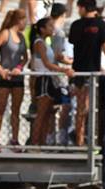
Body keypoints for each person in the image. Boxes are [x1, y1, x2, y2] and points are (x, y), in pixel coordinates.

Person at [69, 0, 105, 146]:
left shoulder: (100, 25)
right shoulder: (77, 24)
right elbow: (76, 43)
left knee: (90, 108)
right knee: (82, 108)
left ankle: (92, 141)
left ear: (83, 7)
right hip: (79, 72)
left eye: (79, 8)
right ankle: (80, 143)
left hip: (92, 71)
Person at [0, 9, 28, 151]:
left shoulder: (22, 37)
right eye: (25, 20)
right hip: (5, 77)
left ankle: (15, 139)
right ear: (19, 20)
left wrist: (19, 67)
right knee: (1, 109)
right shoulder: (5, 33)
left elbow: (25, 58)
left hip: (18, 78)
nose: (26, 23)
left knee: (15, 111)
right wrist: (0, 69)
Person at [31, 17, 74, 146]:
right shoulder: (39, 43)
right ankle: (35, 143)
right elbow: (47, 64)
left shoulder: (46, 43)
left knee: (48, 114)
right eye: (49, 26)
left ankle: (42, 142)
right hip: (43, 79)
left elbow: (55, 58)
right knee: (41, 114)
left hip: (49, 80)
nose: (52, 28)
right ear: (42, 29)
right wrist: (63, 70)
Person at [50, 2, 73, 145]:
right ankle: (60, 137)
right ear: (63, 14)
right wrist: (72, 62)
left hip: (47, 72)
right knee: (63, 106)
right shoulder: (58, 32)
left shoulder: (46, 29)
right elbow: (58, 55)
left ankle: (50, 136)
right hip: (57, 75)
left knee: (50, 108)